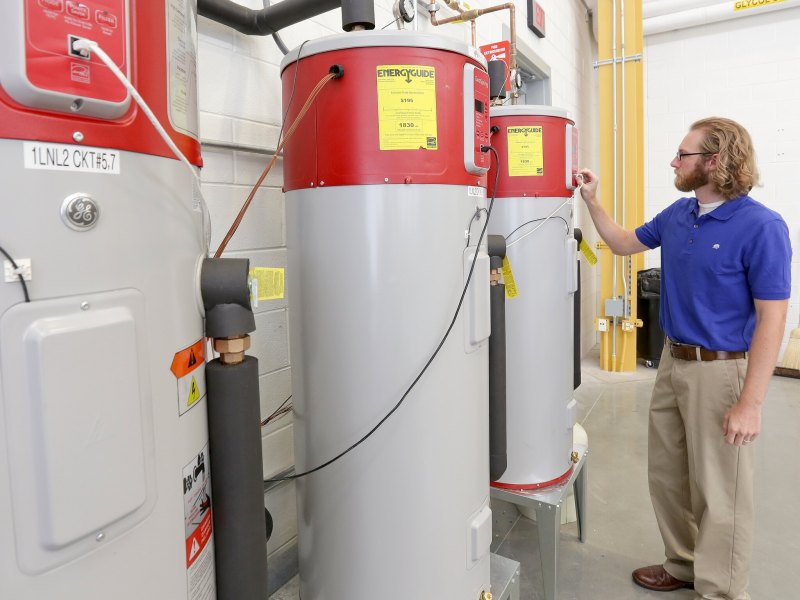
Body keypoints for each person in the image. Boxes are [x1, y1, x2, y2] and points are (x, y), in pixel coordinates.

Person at [578, 117, 792, 600]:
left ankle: (720, 590)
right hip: (673, 363)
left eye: (683, 154)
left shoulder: (762, 226)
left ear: (715, 161)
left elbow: (772, 320)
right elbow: (621, 243)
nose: (674, 162)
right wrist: (591, 200)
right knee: (669, 474)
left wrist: (751, 402)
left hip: (723, 369)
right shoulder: (679, 215)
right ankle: (684, 563)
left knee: (722, 491)